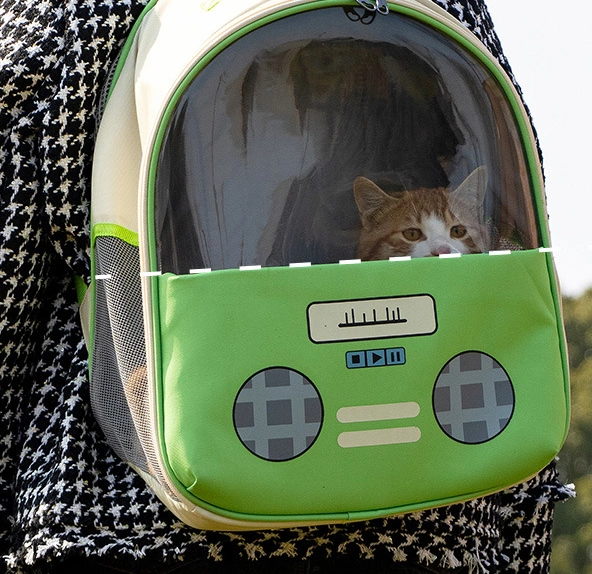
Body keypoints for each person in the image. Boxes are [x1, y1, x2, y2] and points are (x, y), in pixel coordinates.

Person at [0, 0, 573, 572]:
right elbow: (514, 219)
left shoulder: (90, 11)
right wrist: (516, 542)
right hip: (423, 503)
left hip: (136, 509)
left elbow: (17, 226)